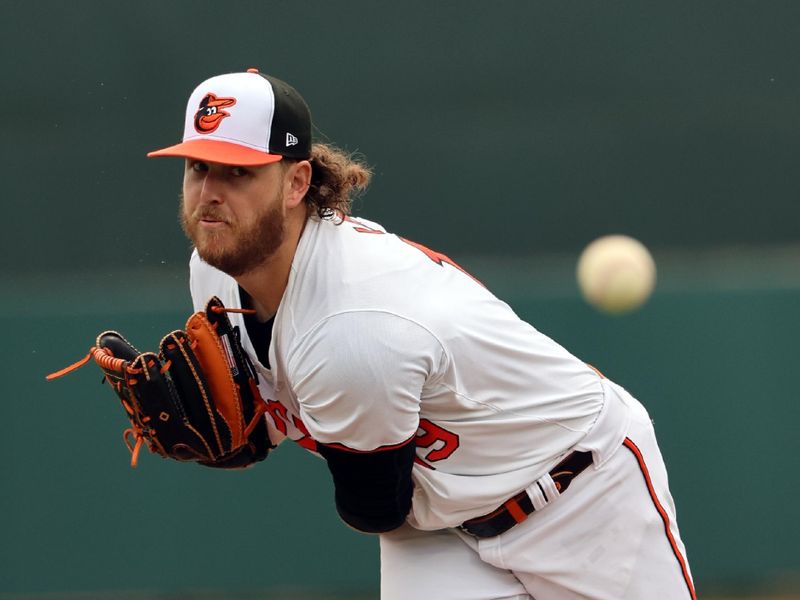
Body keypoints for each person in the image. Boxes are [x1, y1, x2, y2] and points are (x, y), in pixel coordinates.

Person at [147, 68, 696, 600]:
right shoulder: (213, 270)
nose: (210, 193)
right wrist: (245, 434)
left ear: (296, 183)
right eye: (198, 167)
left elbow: (374, 507)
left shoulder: (354, 328)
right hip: (439, 526)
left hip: (581, 494)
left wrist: (255, 429)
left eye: (237, 172)